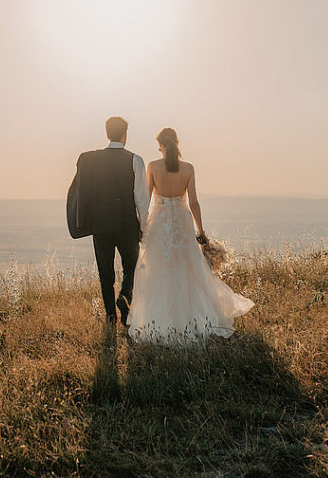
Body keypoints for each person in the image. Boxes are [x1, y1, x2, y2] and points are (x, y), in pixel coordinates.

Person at [127, 127, 254, 341]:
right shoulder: (188, 168)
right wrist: (201, 232)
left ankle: (157, 319)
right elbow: (193, 203)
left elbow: (146, 200)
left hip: (159, 224)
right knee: (187, 266)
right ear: (177, 142)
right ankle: (195, 317)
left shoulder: (153, 167)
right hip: (182, 224)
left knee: (159, 267)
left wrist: (142, 226)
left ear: (160, 144)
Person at [68, 117, 149, 326]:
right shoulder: (135, 160)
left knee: (105, 273)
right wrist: (144, 226)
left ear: (107, 134)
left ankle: (110, 316)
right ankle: (125, 295)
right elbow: (141, 197)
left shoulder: (92, 161)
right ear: (125, 134)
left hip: (101, 224)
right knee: (131, 266)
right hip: (127, 223)